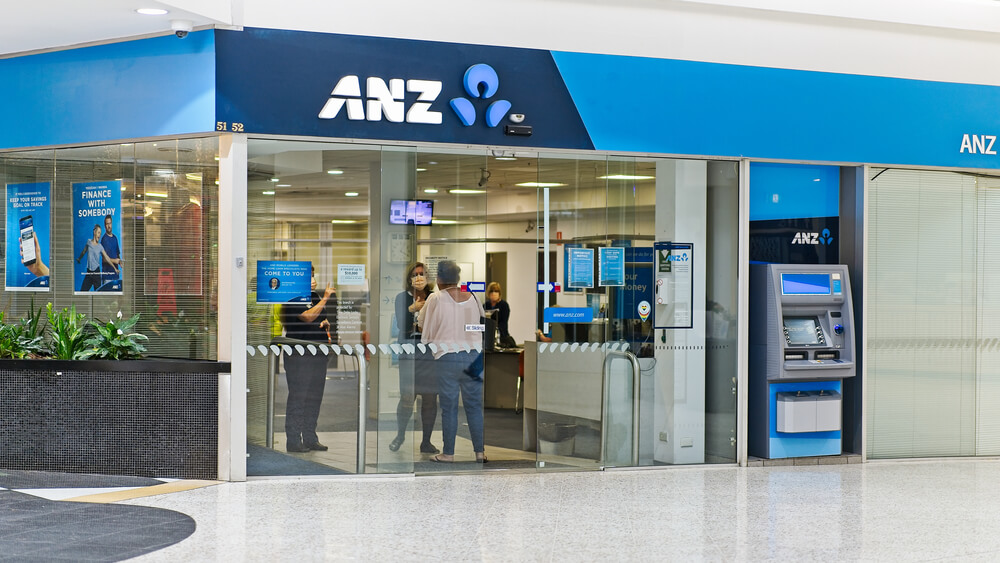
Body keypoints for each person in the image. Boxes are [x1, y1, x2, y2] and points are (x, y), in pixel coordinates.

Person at [421, 260, 487, 463]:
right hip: (474, 356)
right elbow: (482, 320)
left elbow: (423, 323)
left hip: (448, 356)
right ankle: (479, 452)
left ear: (439, 279)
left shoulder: (436, 298)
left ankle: (448, 453)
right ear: (458, 278)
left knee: (449, 406)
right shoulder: (474, 297)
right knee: (474, 405)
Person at [279, 267, 337, 453]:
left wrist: (325, 323)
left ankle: (310, 437)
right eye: (307, 277)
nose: (312, 280)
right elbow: (307, 316)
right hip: (299, 355)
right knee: (299, 396)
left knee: (314, 397)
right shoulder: (292, 297)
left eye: (313, 275)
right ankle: (294, 440)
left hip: (318, 354)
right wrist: (327, 298)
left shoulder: (315, 296)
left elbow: (320, 317)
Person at [388, 262, 439, 454]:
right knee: (407, 396)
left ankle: (426, 441)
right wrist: (412, 309)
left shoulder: (434, 298)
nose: (418, 278)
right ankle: (400, 435)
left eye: (422, 274)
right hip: (409, 352)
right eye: (415, 274)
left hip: (429, 353)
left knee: (430, 398)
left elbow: (438, 324)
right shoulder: (402, 298)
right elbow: (402, 325)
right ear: (409, 278)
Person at [76, 224, 117, 292]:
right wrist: (79, 259)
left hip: (96, 273)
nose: (99, 235)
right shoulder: (88, 242)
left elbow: (107, 258)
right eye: (98, 232)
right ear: (94, 232)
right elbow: (84, 251)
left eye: (100, 233)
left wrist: (115, 268)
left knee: (98, 294)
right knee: (82, 292)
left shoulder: (100, 246)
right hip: (89, 273)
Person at [484, 282, 513, 347]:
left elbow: (504, 322)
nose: (494, 293)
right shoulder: (486, 305)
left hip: (501, 335)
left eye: (496, 291)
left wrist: (495, 330)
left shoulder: (504, 305)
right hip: (487, 335)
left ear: (499, 293)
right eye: (491, 291)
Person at [100, 214, 123, 285]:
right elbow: (104, 259)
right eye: (107, 224)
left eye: (110, 223)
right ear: (105, 226)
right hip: (107, 277)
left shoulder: (115, 238)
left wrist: (120, 261)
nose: (109, 226)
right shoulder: (104, 239)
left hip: (116, 276)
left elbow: (117, 254)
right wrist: (115, 261)